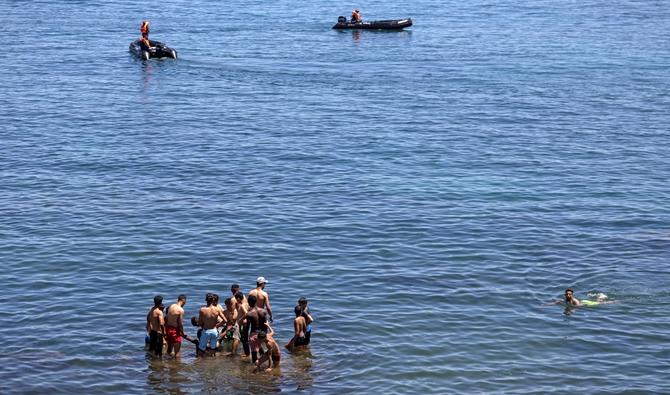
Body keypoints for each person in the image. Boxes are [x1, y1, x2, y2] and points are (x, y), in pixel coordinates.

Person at [246, 294, 269, 363]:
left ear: (249, 303)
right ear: (256, 302)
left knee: (254, 352)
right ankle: (263, 361)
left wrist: (246, 336)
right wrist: (265, 333)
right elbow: (265, 323)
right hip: (262, 333)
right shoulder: (263, 311)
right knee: (260, 347)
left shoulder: (249, 314)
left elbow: (247, 326)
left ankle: (255, 366)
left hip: (254, 333)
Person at [234, 291, 251, 359]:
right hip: (245, 323)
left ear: (238, 298)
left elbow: (246, 313)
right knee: (244, 338)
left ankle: (247, 353)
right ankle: (247, 352)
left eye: (236, 299)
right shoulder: (246, 303)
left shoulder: (242, 305)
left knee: (244, 339)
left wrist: (240, 320)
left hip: (243, 324)